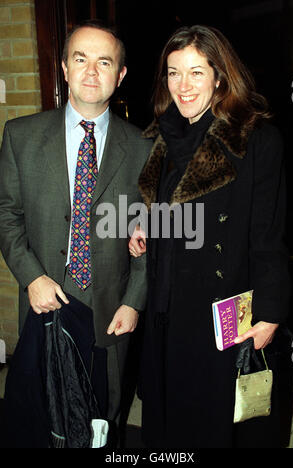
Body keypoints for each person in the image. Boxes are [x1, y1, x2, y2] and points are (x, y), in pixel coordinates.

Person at [129, 25, 290, 448]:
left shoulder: (255, 138)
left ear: (220, 76)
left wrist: (270, 312)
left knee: (214, 421)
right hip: (167, 306)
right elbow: (172, 208)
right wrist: (147, 226)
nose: (183, 86)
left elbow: (268, 235)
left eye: (196, 72)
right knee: (168, 420)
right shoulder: (164, 137)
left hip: (222, 309)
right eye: (173, 72)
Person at [0, 20, 152, 447]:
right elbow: (6, 214)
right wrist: (31, 276)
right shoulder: (21, 136)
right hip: (44, 303)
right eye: (80, 59)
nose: (90, 71)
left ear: (120, 75)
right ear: (64, 67)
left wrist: (134, 302)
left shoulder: (144, 147)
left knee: (102, 423)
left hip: (110, 313)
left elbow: (147, 234)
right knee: (39, 419)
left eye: (104, 62)